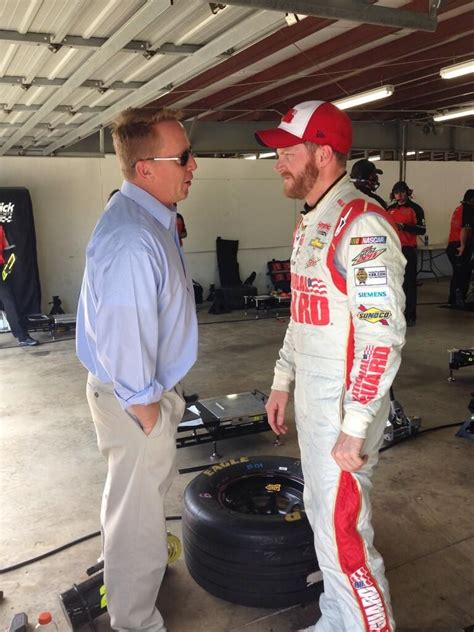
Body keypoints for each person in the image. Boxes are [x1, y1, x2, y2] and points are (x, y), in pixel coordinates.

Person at [255, 100, 406, 632]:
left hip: (344, 413)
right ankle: (337, 619)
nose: (278, 164)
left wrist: (356, 424)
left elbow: (381, 336)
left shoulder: (362, 225)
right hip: (314, 404)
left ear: (322, 154)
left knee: (345, 534)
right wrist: (281, 381)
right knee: (322, 519)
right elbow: (303, 312)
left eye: (287, 153)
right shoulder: (312, 221)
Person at [76, 107, 198, 632]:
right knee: (140, 517)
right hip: (134, 397)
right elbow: (123, 335)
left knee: (132, 502)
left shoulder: (150, 219)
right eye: (185, 157)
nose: (195, 166)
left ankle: (129, 575)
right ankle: (135, 621)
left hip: (137, 392)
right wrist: (148, 410)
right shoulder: (132, 238)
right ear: (145, 168)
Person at [387, 181, 426, 326]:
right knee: (393, 283)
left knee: (409, 284)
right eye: (397, 192)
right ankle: (396, 313)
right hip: (392, 250)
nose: (400, 195)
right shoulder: (389, 209)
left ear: (407, 192)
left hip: (408, 249)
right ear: (394, 194)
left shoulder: (415, 209)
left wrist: (404, 226)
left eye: (402, 192)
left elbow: (422, 230)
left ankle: (410, 316)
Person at [0, 223, 38, 346]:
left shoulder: (1, 227)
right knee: (10, 302)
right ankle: (22, 336)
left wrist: (7, 268)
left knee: (10, 303)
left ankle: (22, 336)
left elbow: (8, 249)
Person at [446, 189, 474, 307]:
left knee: (458, 273)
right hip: (459, 246)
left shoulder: (459, 208)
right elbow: (465, 228)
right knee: (463, 274)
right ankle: (458, 299)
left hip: (453, 245)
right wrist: (462, 246)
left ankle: (453, 299)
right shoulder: (468, 209)